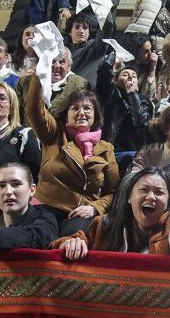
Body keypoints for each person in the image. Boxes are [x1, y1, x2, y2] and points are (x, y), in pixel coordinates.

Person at [23, 73, 119, 237]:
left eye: (87, 108)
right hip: (45, 207)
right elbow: (34, 110)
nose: (82, 113)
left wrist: (95, 208)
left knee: (74, 237)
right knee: (40, 235)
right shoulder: (53, 134)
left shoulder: (106, 148)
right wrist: (41, 74)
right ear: (65, 114)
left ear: (95, 115)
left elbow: (113, 192)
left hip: (80, 212)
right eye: (75, 108)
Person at [55, 167, 170, 259]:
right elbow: (59, 245)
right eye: (144, 190)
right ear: (129, 198)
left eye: (159, 192)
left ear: (168, 203)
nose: (151, 197)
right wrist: (68, 244)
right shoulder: (103, 225)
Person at [15, 48, 89, 126]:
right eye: (52, 61)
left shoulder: (78, 85)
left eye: (62, 62)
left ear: (69, 66)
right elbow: (15, 115)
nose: (57, 66)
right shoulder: (25, 82)